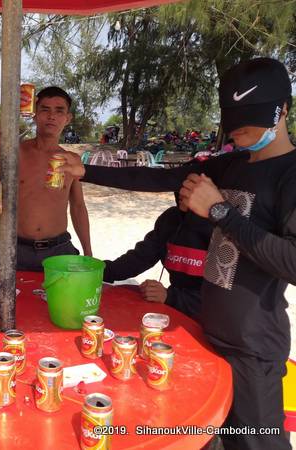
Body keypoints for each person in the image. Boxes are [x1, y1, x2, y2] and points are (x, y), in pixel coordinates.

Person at [58, 57, 295, 450]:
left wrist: (219, 211)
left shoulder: (290, 174)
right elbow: (159, 177)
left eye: (248, 120)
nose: (237, 131)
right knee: (196, 436)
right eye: (232, 121)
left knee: (255, 443)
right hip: (201, 333)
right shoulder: (230, 164)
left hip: (251, 346)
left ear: (282, 110)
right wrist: (87, 171)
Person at [0, 86, 92, 271]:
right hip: (16, 248)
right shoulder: (18, 151)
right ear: (35, 115)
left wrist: (88, 252)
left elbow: (78, 206)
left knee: (62, 301)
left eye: (59, 111)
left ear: (67, 119)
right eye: (45, 109)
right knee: (8, 300)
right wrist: (13, 109)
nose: (51, 116)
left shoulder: (71, 160)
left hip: (59, 249)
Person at [104, 191, 213, 321]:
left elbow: (221, 303)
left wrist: (169, 296)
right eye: (181, 183)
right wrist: (101, 270)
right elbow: (141, 257)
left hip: (209, 319)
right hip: (175, 310)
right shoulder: (171, 219)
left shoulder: (221, 228)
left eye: (192, 184)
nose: (184, 189)